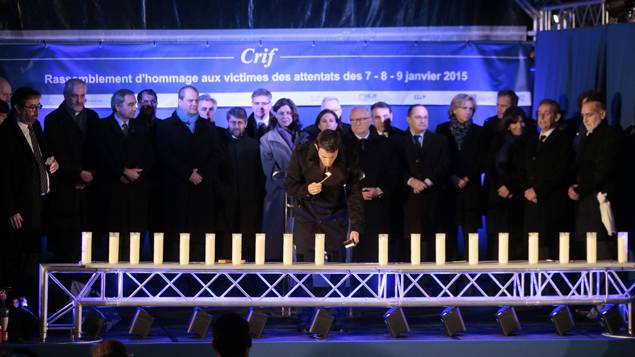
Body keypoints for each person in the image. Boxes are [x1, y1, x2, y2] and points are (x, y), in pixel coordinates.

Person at [0, 87, 58, 307]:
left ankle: (28, 302)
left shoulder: (37, 127)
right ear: (17, 108)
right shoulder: (6, 133)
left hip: (39, 202)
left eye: (38, 107)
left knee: (34, 256)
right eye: (31, 107)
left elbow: (44, 155)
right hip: (20, 207)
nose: (36, 112)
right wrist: (10, 208)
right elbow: (3, 176)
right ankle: (13, 306)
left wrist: (53, 162)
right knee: (17, 258)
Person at [155, 85, 220, 261]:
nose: (194, 103)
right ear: (180, 101)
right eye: (190, 100)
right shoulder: (165, 126)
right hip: (176, 193)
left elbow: (215, 155)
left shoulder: (208, 126)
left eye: (196, 100)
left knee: (199, 241)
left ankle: (199, 282)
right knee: (175, 242)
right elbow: (164, 155)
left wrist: (202, 174)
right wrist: (187, 174)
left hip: (201, 192)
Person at [44, 78, 100, 263]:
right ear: (65, 96)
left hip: (90, 193)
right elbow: (52, 156)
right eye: (74, 96)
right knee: (65, 248)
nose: (79, 100)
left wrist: (91, 174)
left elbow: (99, 151)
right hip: (64, 192)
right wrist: (77, 174)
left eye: (82, 96)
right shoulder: (52, 120)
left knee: (90, 247)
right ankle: (63, 289)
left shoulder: (93, 117)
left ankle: (87, 287)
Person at [286, 129, 362, 261]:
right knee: (304, 267)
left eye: (332, 157)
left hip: (335, 216)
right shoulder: (301, 153)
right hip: (306, 215)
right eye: (323, 157)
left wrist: (356, 227)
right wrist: (306, 189)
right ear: (317, 147)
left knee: (337, 267)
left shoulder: (348, 155)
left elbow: (354, 194)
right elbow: (289, 185)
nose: (328, 162)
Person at [96, 89, 154, 261]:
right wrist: (121, 171)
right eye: (130, 104)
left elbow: (150, 156)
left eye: (134, 104)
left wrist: (135, 173)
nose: (134, 108)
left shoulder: (142, 127)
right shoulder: (101, 127)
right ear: (117, 105)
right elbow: (100, 156)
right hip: (112, 195)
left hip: (136, 194)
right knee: (113, 247)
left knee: (135, 246)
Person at [568, 97, 621, 260]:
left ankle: (605, 286)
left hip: (599, 202)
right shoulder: (586, 138)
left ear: (603, 114)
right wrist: (572, 186)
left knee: (602, 253)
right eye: (583, 115)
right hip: (586, 204)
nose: (585, 119)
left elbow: (603, 169)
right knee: (588, 254)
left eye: (589, 115)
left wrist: (580, 188)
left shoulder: (610, 136)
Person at [436, 94, 486, 261]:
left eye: (471, 109)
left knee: (470, 236)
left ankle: (470, 282)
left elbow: (482, 159)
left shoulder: (480, 132)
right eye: (464, 108)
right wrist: (452, 177)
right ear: (454, 109)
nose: (468, 112)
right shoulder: (442, 130)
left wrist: (467, 178)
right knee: (448, 237)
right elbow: (439, 158)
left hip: (470, 191)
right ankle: (450, 279)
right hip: (448, 191)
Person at [522, 99, 574, 260]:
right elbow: (524, 169)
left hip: (551, 204)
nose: (541, 117)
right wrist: (526, 189)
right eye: (539, 114)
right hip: (531, 203)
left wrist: (538, 190)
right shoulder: (531, 140)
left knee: (550, 251)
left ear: (556, 117)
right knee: (533, 250)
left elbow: (560, 172)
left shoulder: (563, 140)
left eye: (546, 113)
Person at [345, 107, 397, 262]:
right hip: (350, 210)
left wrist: (380, 190)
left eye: (361, 119)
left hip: (378, 208)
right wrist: (354, 194)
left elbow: (394, 172)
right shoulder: (342, 144)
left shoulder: (384, 144)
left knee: (377, 252)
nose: (357, 123)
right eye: (353, 120)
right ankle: (351, 284)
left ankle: (378, 285)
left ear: (369, 120)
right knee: (352, 249)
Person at [402, 105, 449, 261]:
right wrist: (411, 181)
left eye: (425, 117)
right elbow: (394, 167)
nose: (422, 121)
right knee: (411, 246)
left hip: (433, 201)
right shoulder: (398, 141)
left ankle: (430, 281)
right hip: (407, 202)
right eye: (418, 117)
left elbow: (444, 165)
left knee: (432, 246)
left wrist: (426, 182)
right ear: (408, 119)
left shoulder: (439, 140)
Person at [217, 107, 265, 261]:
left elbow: (259, 175)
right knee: (225, 237)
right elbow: (215, 172)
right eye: (233, 122)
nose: (236, 126)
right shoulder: (220, 144)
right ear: (227, 122)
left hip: (248, 202)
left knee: (247, 237)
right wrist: (222, 192)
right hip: (225, 201)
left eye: (240, 123)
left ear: (245, 124)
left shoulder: (254, 145)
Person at [259, 98, 302, 260]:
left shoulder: (303, 137)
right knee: (276, 241)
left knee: (300, 242)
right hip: (278, 196)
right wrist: (293, 182)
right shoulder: (266, 139)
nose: (285, 116)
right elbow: (270, 170)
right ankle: (276, 281)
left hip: (301, 196)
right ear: (275, 115)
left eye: (288, 113)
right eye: (281, 113)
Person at [485, 107, 529, 260]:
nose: (519, 126)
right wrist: (500, 187)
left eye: (522, 122)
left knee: (516, 241)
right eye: (515, 122)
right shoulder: (497, 140)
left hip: (517, 198)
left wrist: (510, 187)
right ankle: (498, 280)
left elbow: (526, 170)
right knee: (497, 241)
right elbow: (490, 167)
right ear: (508, 124)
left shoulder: (529, 141)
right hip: (497, 200)